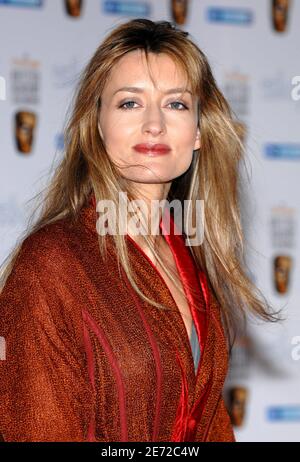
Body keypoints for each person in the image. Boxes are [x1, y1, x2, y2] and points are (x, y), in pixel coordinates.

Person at [0, 19, 278, 442]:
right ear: (97, 124)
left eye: (176, 104)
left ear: (200, 130)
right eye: (130, 103)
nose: (154, 124)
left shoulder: (192, 257)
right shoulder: (51, 265)